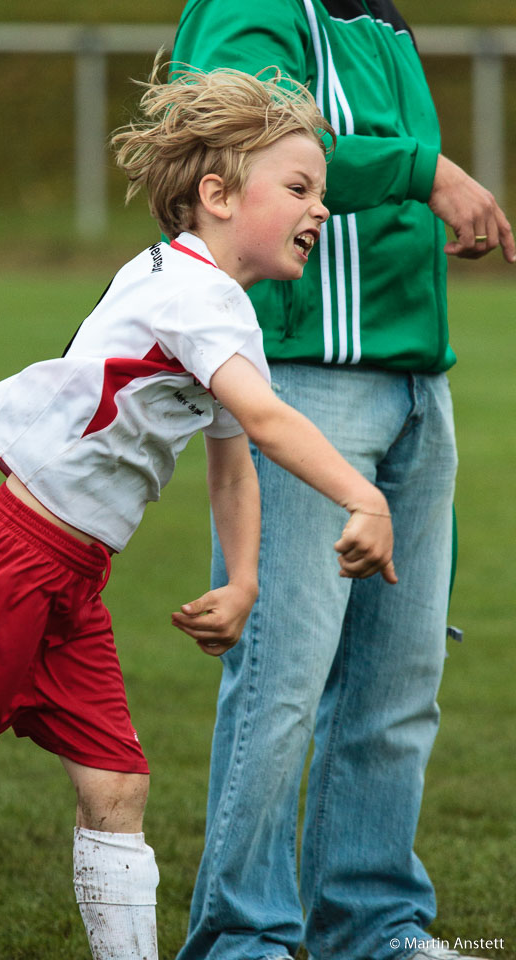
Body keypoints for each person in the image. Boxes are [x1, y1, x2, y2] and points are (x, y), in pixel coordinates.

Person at [0, 61, 397, 957]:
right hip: (13, 559)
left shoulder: (215, 304)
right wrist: (363, 493)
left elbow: (233, 459)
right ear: (217, 193)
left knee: (117, 784)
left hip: (69, 579)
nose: (321, 208)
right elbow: (270, 423)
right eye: (301, 187)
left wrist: (241, 582)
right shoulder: (197, 297)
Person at [171, 4, 516, 960]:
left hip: (416, 378)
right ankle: (243, 936)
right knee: (283, 676)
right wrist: (425, 168)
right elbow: (233, 150)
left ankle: (372, 924)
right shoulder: (255, 7)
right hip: (305, 375)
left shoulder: (386, 18)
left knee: (399, 683)